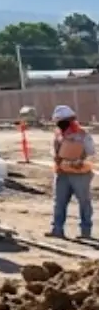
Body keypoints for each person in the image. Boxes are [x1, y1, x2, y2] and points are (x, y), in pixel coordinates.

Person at [50, 103, 95, 240]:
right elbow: (54, 151)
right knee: (59, 202)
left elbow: (92, 153)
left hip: (80, 174)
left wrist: (80, 160)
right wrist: (56, 159)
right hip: (62, 173)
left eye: (62, 121)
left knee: (84, 202)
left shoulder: (82, 134)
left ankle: (85, 232)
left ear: (71, 120)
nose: (60, 124)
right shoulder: (58, 135)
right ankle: (57, 229)